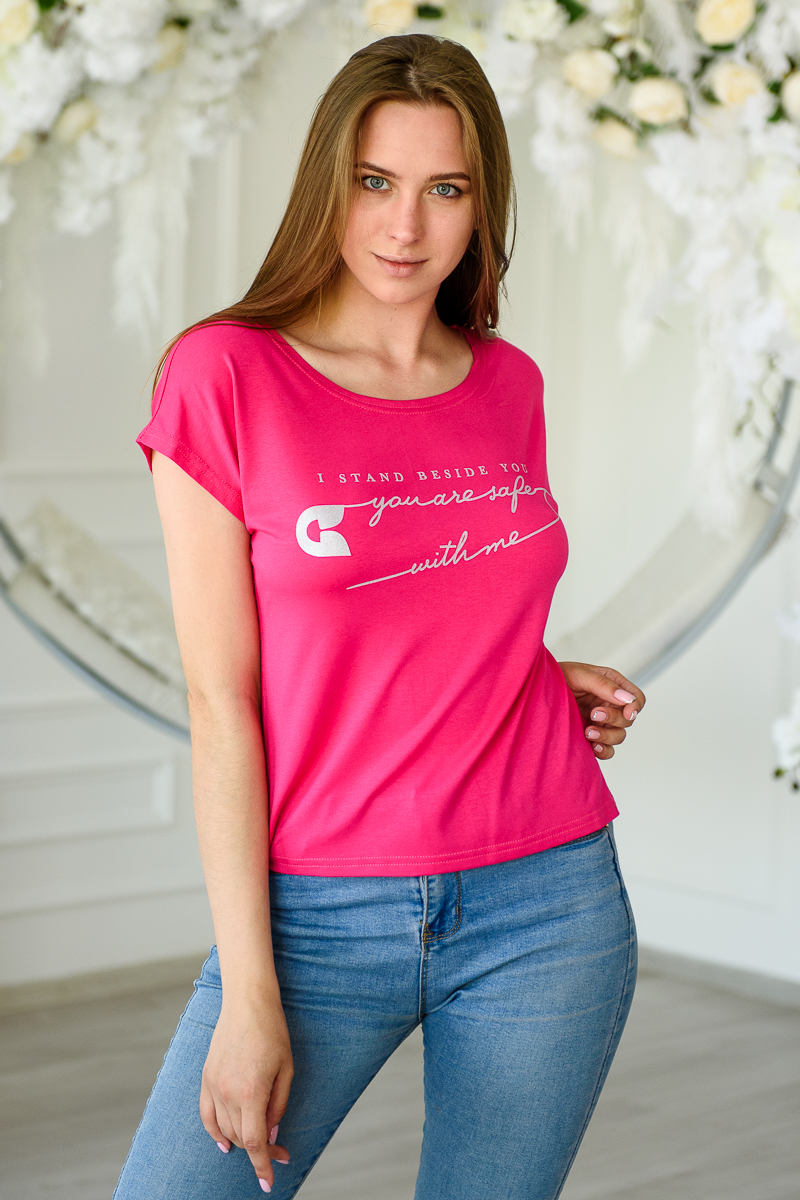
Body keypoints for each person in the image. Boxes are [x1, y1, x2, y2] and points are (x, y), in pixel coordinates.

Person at [114, 32, 644, 1200]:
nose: (404, 226)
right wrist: (250, 994)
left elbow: (435, 591)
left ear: (481, 206)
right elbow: (221, 697)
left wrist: (530, 673)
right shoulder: (224, 375)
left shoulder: (507, 382)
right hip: (315, 912)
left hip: (546, 900)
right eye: (374, 182)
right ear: (328, 186)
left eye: (444, 189)